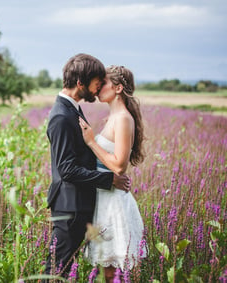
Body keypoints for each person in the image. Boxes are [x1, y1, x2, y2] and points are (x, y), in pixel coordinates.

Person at [43, 54, 131, 281]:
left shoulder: (72, 109)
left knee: (61, 267)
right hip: (69, 208)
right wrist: (109, 179)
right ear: (80, 82)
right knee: (55, 270)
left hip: (79, 205)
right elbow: (67, 170)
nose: (99, 86)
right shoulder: (62, 116)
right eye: (96, 82)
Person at [79, 65, 147, 282]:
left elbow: (119, 167)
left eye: (104, 82)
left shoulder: (123, 119)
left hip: (114, 202)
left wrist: (91, 141)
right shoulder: (113, 118)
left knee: (112, 273)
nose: (98, 87)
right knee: (106, 271)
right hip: (104, 196)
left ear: (118, 88)